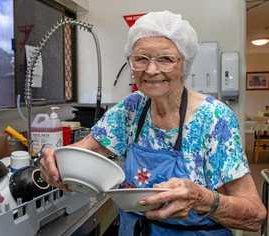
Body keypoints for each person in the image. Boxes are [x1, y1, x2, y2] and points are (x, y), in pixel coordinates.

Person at [40, 10, 267, 235]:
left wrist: (203, 199)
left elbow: (255, 217)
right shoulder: (131, 109)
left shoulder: (215, 119)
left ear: (184, 64)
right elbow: (81, 152)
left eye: (166, 59)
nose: (151, 70)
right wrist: (55, 159)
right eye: (141, 59)